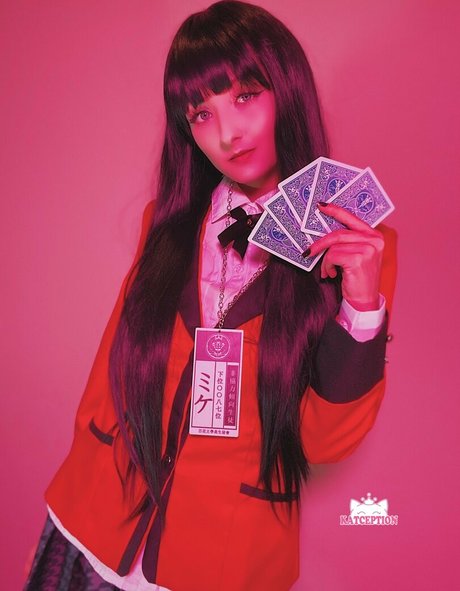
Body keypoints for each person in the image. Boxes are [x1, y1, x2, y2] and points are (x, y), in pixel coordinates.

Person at [25, 1, 397, 590]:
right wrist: (76, 488)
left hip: (224, 553)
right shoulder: (165, 224)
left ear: (288, 91)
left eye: (246, 96)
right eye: (201, 113)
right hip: (98, 521)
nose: (227, 133)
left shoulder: (359, 249)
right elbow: (110, 368)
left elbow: (325, 442)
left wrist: (360, 310)